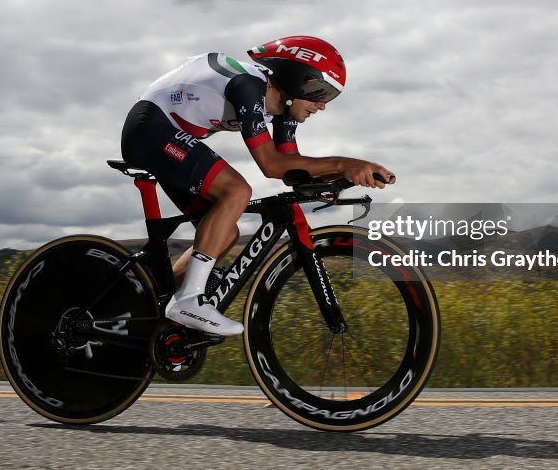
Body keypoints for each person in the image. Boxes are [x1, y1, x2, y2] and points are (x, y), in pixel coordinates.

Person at [120, 36, 395, 336]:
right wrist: (344, 163)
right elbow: (270, 164)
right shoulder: (247, 87)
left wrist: (345, 177)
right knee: (236, 191)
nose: (322, 105)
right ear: (295, 81)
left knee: (223, 233)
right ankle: (189, 300)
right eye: (320, 91)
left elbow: (291, 171)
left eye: (330, 97)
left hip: (170, 136)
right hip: (148, 129)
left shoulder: (282, 111)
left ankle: (150, 306)